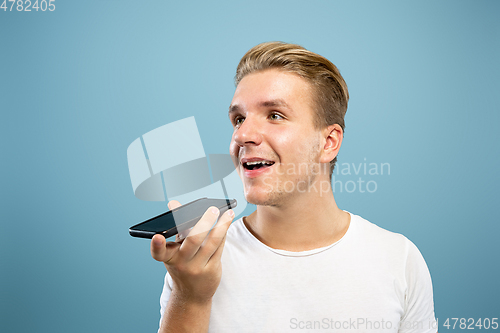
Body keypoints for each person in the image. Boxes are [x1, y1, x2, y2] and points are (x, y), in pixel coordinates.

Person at [150, 42, 437, 333]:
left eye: (275, 115)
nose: (243, 135)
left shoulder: (398, 260)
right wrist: (190, 299)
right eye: (239, 119)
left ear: (328, 143)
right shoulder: (197, 262)